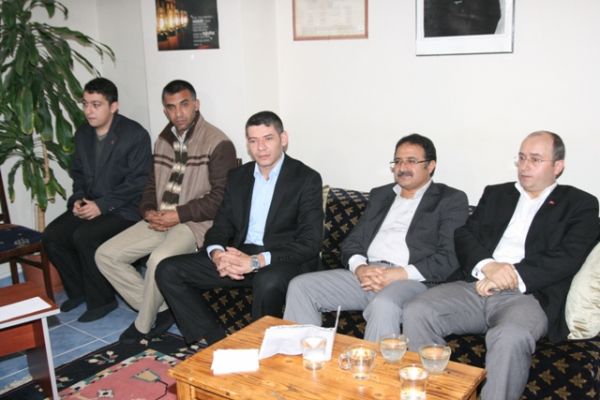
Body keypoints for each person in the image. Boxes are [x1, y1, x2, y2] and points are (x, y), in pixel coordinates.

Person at [403, 131, 600, 400]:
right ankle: (439, 394)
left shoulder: (579, 204)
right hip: (475, 285)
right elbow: (465, 235)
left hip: (529, 296)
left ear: (557, 166)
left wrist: (511, 275)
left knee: (509, 336)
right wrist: (488, 266)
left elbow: (568, 256)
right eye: (521, 158)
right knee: (417, 310)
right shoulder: (497, 194)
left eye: (535, 159)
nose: (525, 166)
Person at [155, 111, 323, 345]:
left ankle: (262, 347)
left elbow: (310, 243)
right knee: (167, 269)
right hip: (241, 254)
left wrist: (256, 261)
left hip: (282, 259)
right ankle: (215, 339)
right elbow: (221, 226)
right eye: (253, 141)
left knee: (267, 281)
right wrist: (217, 254)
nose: (260, 148)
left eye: (268, 138)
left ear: (283, 139)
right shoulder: (238, 176)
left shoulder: (306, 178)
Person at [283, 134, 469, 341]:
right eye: (398, 161)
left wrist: (399, 274)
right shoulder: (381, 195)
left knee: (384, 305)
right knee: (301, 286)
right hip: (368, 274)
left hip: (412, 281)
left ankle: (374, 363)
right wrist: (360, 268)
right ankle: (298, 356)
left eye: (411, 161)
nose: (402, 167)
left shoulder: (450, 199)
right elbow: (352, 242)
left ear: (431, 165)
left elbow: (448, 257)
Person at [96, 80, 237, 344]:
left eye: (184, 105)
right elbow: (152, 184)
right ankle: (161, 309)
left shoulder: (218, 142)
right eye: (171, 107)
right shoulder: (163, 140)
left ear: (196, 105)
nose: (178, 113)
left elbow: (221, 198)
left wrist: (179, 215)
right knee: (106, 255)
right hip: (161, 218)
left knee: (158, 260)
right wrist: (148, 210)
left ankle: (142, 325)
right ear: (165, 110)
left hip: (195, 223)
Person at [42, 77, 152, 322]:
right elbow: (78, 173)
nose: (89, 111)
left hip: (125, 208)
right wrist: (78, 199)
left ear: (113, 106)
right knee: (52, 236)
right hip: (91, 202)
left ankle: (103, 301)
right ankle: (79, 291)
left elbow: (139, 181)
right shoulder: (83, 134)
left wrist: (102, 206)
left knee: (85, 236)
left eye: (96, 104)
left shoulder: (134, 134)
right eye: (85, 104)